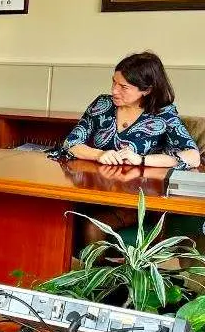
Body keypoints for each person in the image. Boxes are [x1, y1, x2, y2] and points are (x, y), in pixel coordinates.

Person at [54, 51, 201, 246]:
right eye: (114, 82)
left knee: (92, 227)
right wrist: (100, 154)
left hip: (136, 200)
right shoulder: (102, 104)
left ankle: (99, 275)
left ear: (146, 90)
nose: (115, 90)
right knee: (54, 215)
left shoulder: (163, 114)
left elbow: (193, 157)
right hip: (93, 191)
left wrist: (140, 159)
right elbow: (71, 144)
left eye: (124, 87)